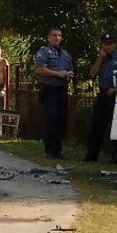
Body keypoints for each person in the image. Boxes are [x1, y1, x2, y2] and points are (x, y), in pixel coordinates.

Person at [84, 33, 117, 164]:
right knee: (96, 125)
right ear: (102, 45)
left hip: (116, 94)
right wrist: (99, 59)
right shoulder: (101, 58)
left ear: (115, 44)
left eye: (110, 43)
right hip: (103, 94)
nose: (108, 46)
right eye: (105, 44)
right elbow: (93, 74)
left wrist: (115, 90)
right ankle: (92, 155)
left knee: (116, 126)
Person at [34, 28, 73, 159]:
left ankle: (58, 150)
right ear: (48, 38)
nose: (57, 37)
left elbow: (70, 70)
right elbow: (39, 69)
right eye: (54, 35)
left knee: (62, 120)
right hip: (49, 89)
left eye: (59, 35)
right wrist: (57, 74)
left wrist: (68, 75)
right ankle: (49, 150)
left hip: (62, 89)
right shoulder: (44, 51)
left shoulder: (66, 54)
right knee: (51, 118)